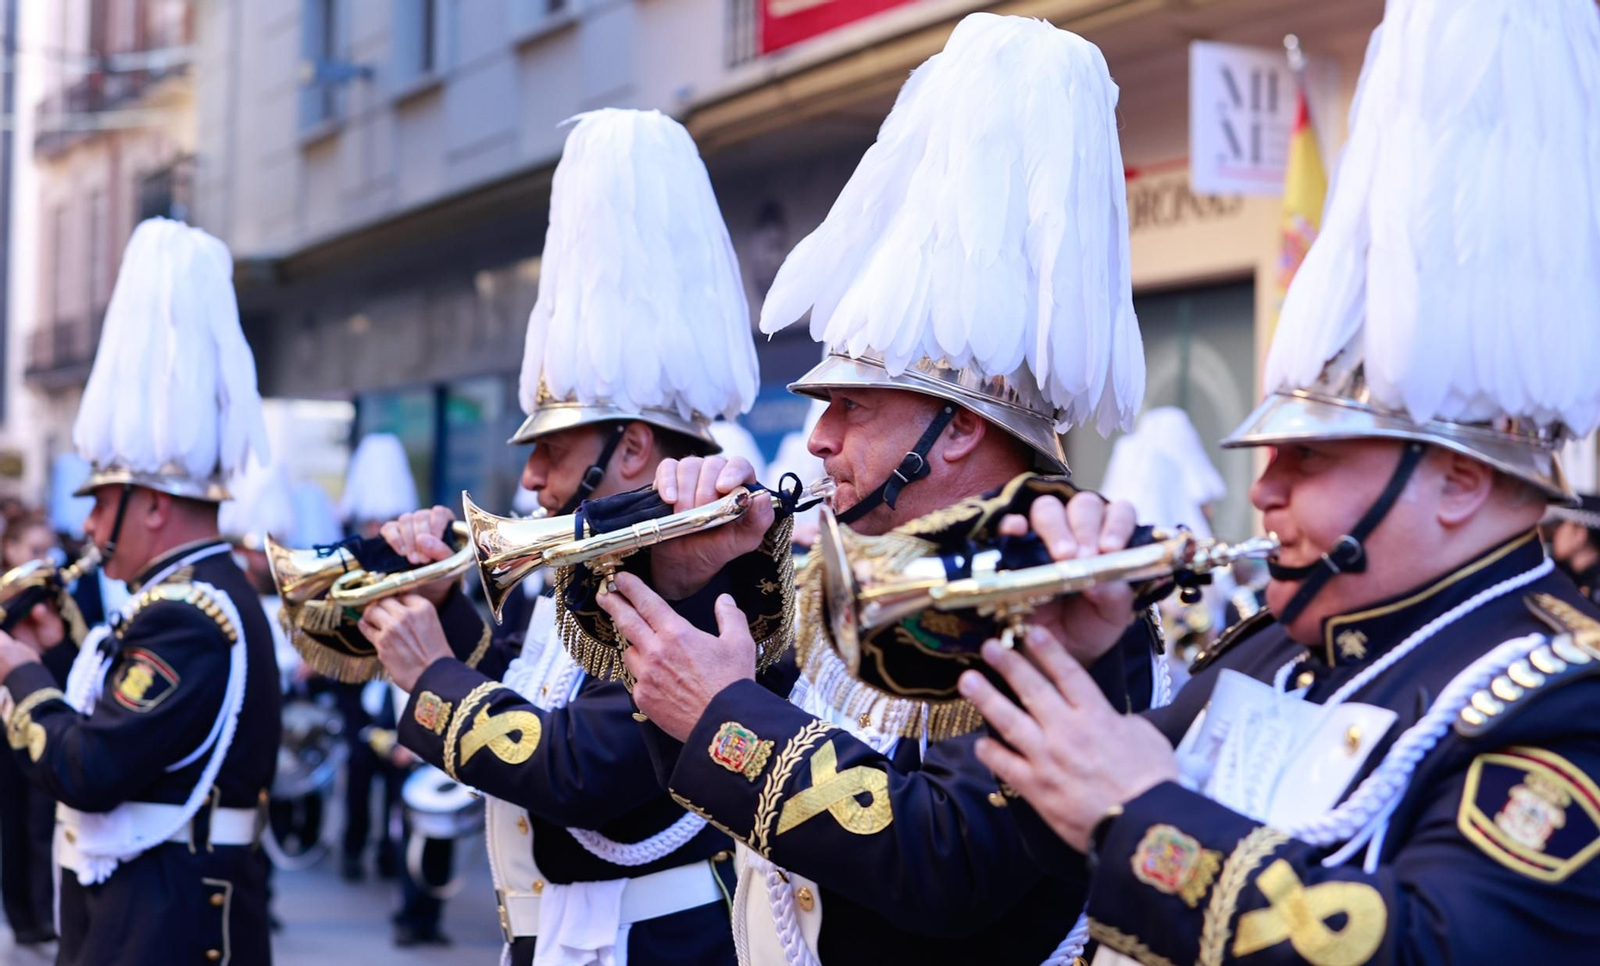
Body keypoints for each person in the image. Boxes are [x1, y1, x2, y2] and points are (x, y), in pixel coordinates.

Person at [961, 2, 1600, 962]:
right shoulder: (1273, 649)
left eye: (1310, 459)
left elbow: (1432, 947)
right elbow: (1019, 853)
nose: (1262, 493)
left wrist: (1144, 812)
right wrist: (1088, 655)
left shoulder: (1561, 696)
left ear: (1461, 480)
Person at [584, 15, 1157, 963]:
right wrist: (693, 579)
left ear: (960, 424)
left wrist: (725, 715)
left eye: (851, 405)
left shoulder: (1059, 581)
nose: (819, 436)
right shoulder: (870, 564)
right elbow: (679, 760)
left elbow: (954, 867)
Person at [360, 108, 758, 966]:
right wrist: (441, 610)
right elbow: (524, 684)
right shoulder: (585, 571)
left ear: (635, 446)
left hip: (657, 942)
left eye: (552, 450)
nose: (531, 479)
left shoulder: (708, 575)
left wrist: (428, 675)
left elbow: (585, 767)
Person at [0, 217, 280, 965]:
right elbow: (131, 743)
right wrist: (56, 661)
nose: (88, 523)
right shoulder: (185, 597)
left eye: (103, 500)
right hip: (150, 912)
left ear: (153, 504)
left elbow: (88, 770)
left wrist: (15, 674)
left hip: (170, 925)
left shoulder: (188, 614)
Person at [0, 510, 62, 947]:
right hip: (7, 727)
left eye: (47, 550)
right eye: (33, 551)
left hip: (53, 721)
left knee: (44, 822)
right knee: (13, 822)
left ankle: (44, 914)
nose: (44, 560)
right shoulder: (9, 597)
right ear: (11, 551)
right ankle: (22, 916)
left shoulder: (62, 597)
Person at [1544, 493, 1600, 603]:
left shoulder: (1595, 588)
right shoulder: (1564, 576)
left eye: (1557, 525)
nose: (1554, 534)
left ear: (1579, 533)